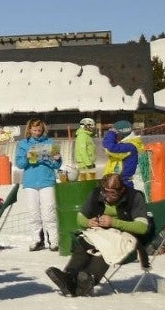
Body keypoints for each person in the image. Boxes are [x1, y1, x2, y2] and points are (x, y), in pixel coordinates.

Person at [45, 174, 150, 297]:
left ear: (121, 190)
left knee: (104, 247)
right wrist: (88, 222)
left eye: (112, 193)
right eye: (105, 192)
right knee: (84, 241)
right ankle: (69, 276)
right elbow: (80, 218)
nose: (108, 197)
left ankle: (88, 278)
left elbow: (142, 227)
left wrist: (114, 222)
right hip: (100, 232)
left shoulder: (134, 197)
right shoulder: (96, 194)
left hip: (125, 236)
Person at [16, 119, 61, 252]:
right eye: (34, 130)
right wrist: (27, 157)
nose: (37, 133)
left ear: (43, 130)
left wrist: (56, 158)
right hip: (30, 182)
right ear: (29, 130)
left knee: (49, 211)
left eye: (39, 130)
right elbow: (20, 164)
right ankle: (37, 240)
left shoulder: (50, 142)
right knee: (33, 213)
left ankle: (54, 240)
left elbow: (57, 165)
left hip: (47, 180)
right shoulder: (23, 144)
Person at [102, 120, 143, 190]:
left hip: (124, 183)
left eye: (115, 134)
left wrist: (110, 133)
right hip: (121, 181)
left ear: (120, 134)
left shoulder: (130, 147)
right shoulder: (131, 144)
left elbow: (109, 148)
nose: (114, 137)